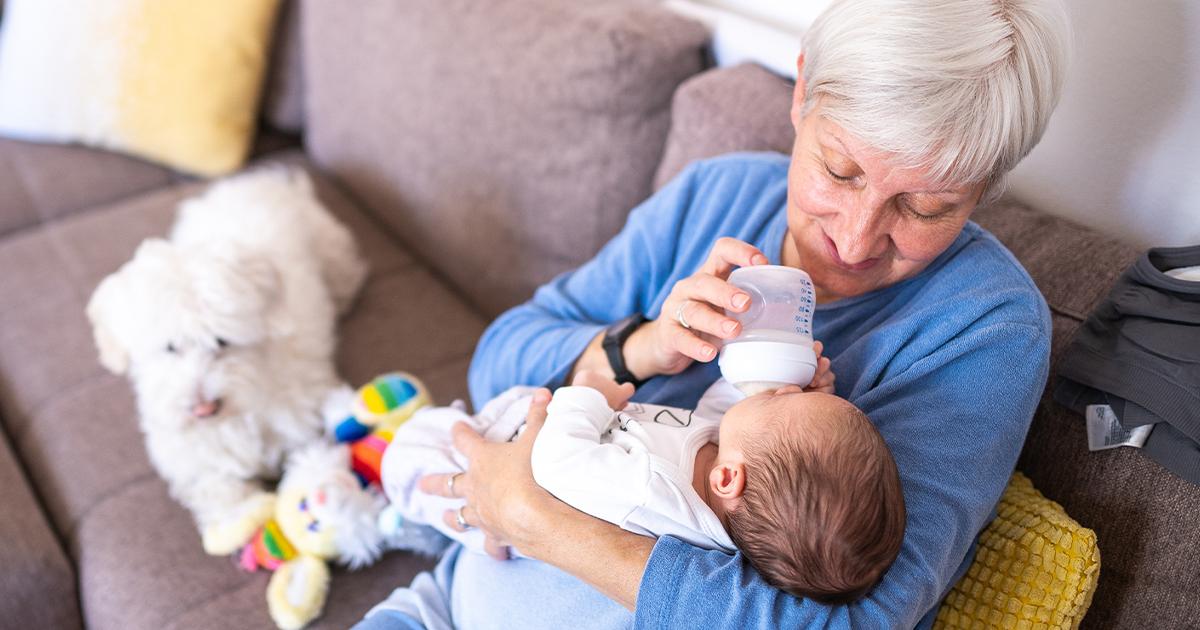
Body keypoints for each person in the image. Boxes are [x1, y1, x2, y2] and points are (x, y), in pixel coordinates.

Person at [358, 0, 1071, 628]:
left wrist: (531, 517)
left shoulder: (986, 329)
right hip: (444, 603)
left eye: (924, 207)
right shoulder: (719, 192)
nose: (854, 239)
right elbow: (497, 361)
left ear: (985, 189)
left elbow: (850, 622)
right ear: (801, 98)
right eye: (839, 169)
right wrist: (637, 348)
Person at [373, 364, 905, 619]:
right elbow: (722, 411)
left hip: (509, 465)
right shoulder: (717, 478)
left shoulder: (650, 489)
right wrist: (762, 383)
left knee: (414, 448)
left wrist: (587, 396)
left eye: (782, 403)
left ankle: (394, 505)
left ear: (729, 478)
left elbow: (556, 467)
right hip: (481, 538)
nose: (788, 392)